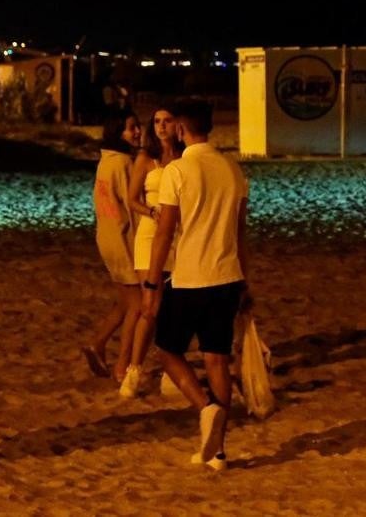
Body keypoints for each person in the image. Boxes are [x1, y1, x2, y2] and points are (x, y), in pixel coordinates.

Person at [141, 98, 250, 471]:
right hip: (228, 275)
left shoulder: (179, 171)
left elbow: (165, 232)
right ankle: (218, 452)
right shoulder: (232, 169)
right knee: (217, 358)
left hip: (190, 276)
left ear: (182, 130)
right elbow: (240, 232)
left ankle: (206, 409)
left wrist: (152, 284)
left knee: (168, 350)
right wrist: (246, 283)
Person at [118, 107, 183, 397]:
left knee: (174, 306)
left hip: (177, 235)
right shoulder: (146, 159)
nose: (161, 126)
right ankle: (134, 369)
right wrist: (151, 210)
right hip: (149, 233)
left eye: (167, 121)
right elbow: (131, 199)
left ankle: (171, 368)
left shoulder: (184, 158)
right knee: (150, 304)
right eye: (156, 121)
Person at [82, 109, 141, 380]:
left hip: (106, 237)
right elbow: (132, 206)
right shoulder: (123, 164)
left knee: (125, 302)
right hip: (122, 239)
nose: (137, 131)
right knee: (138, 306)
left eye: (137, 126)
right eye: (131, 128)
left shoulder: (105, 162)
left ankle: (98, 343)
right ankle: (124, 364)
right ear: (119, 132)